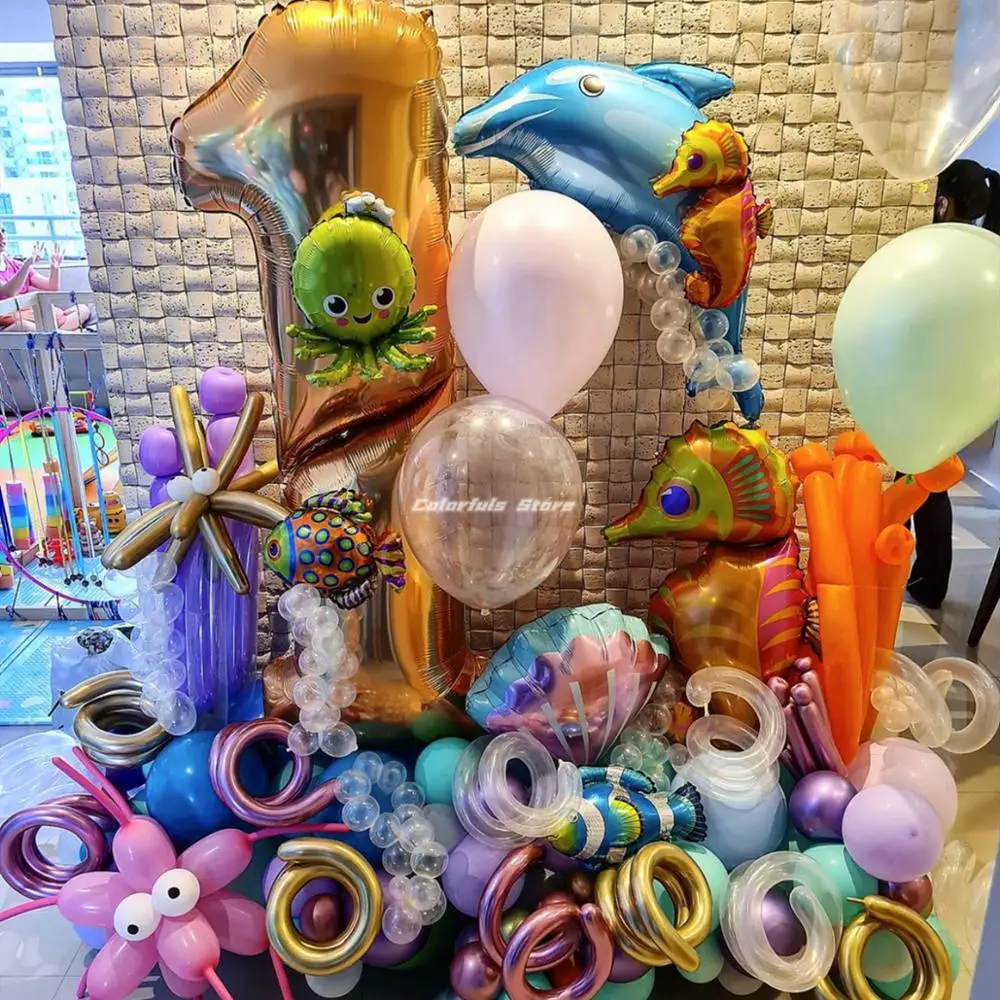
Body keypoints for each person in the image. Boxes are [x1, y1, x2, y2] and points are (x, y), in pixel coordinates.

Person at [904, 159, 999, 609]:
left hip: (923, 379)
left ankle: (895, 569)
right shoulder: (984, 251)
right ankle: (928, 581)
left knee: (911, 480)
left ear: (942, 202)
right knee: (929, 479)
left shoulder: (938, 250)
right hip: (959, 384)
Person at [0, 226, 92, 331]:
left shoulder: (16, 265)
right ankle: (63, 334)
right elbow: (10, 292)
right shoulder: (24, 267)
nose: (2, 237)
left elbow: (51, 288)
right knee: (24, 326)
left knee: (82, 310)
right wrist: (27, 264)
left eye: (3, 231)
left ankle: (55, 335)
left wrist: (55, 268)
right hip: (10, 318)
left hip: (32, 314)